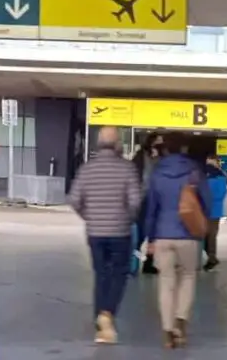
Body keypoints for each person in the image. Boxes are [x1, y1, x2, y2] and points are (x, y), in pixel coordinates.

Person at [68, 126, 142, 345]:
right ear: (118, 144)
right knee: (119, 274)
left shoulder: (87, 169)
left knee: (101, 275)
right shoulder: (127, 169)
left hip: (95, 233)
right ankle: (107, 313)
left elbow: (74, 199)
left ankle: (100, 321)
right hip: (120, 232)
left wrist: (89, 216)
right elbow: (136, 201)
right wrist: (126, 218)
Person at [143, 132, 212, 349]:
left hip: (163, 234)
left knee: (166, 282)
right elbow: (207, 202)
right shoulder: (194, 171)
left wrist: (150, 238)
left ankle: (167, 331)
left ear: (165, 149)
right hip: (189, 235)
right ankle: (180, 322)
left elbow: (151, 209)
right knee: (189, 276)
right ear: (183, 149)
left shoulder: (157, 172)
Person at [131, 132, 163, 275]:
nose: (160, 145)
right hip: (142, 199)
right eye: (158, 141)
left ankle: (149, 262)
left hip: (157, 199)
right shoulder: (140, 156)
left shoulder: (163, 158)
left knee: (154, 234)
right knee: (140, 231)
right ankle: (134, 261)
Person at [202, 153, 227, 271]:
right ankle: (211, 257)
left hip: (212, 210)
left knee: (210, 235)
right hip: (208, 210)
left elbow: (220, 194)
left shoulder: (218, 176)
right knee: (206, 235)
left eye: (211, 161)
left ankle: (212, 257)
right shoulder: (206, 175)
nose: (209, 163)